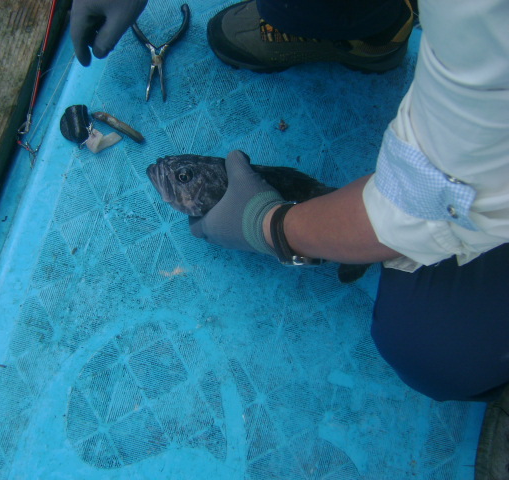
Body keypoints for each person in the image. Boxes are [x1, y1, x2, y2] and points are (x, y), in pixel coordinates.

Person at [70, 0, 509, 450]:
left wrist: (268, 225)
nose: (172, 177)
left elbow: (427, 202)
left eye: (185, 178)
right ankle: (369, 28)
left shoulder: (483, 33)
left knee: (433, 347)